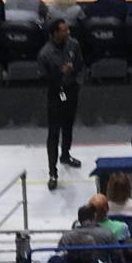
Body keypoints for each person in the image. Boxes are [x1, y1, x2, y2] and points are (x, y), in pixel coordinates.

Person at [41, 19, 82, 187]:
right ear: (55, 33)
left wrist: (76, 73)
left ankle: (65, 154)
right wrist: (60, 72)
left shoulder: (73, 44)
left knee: (68, 125)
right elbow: (43, 80)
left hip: (71, 90)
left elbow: (80, 62)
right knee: (54, 132)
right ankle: (53, 172)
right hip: (55, 94)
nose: (68, 32)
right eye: (64, 30)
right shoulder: (45, 53)